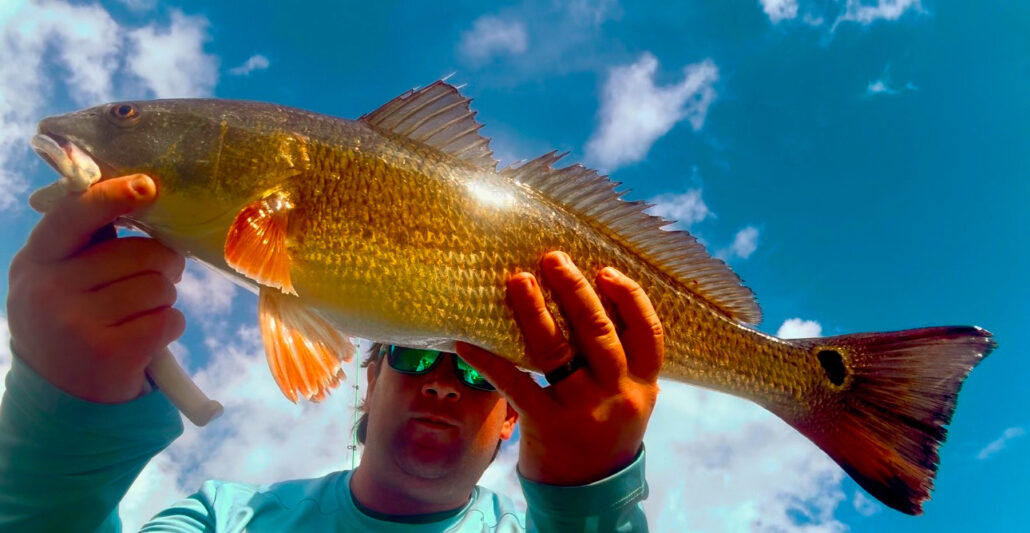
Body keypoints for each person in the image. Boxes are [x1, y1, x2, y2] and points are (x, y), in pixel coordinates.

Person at [0, 175, 664, 531]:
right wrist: (62, 421)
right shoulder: (221, 520)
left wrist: (589, 503)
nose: (442, 383)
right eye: (409, 357)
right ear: (366, 382)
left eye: (474, 368)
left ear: (515, 416)